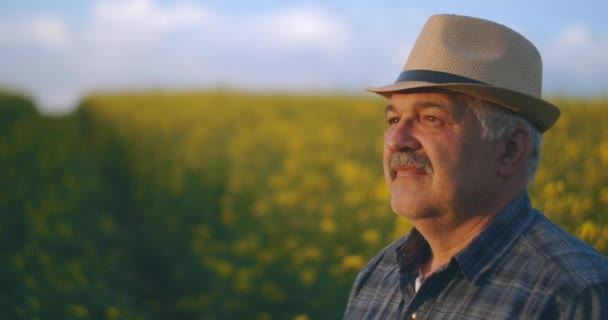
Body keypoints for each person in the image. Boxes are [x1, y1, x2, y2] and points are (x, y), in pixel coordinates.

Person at [343, 14, 608, 319]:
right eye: (393, 120)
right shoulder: (377, 276)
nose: (396, 140)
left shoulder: (575, 296)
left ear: (510, 150)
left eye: (432, 118)